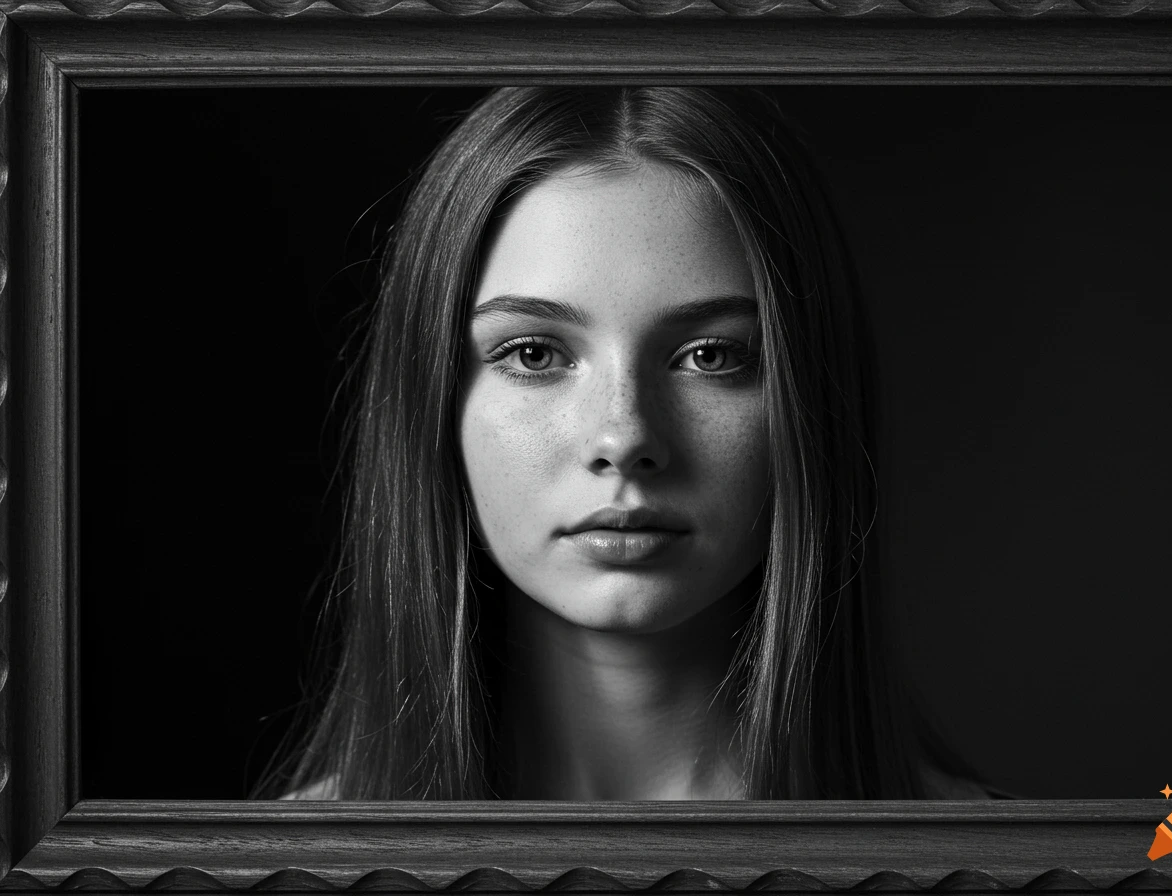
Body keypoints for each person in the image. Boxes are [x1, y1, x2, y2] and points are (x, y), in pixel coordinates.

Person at [256, 86, 1016, 802]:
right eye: (534, 354)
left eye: (711, 355)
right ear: (433, 402)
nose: (624, 438)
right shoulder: (287, 871)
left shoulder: (1001, 868)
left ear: (810, 399)